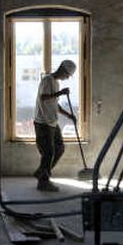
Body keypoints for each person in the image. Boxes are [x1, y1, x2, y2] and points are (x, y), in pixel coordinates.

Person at [33, 60, 77, 191]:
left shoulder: (56, 83)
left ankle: (42, 172)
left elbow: (54, 103)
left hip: (52, 121)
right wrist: (61, 93)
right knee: (48, 153)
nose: (67, 78)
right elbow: (44, 97)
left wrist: (68, 114)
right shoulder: (47, 80)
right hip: (43, 122)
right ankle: (43, 182)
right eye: (67, 75)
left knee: (60, 148)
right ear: (62, 69)